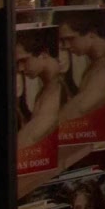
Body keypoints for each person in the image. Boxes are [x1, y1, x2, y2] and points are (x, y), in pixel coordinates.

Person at [15, 25, 66, 153]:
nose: (20, 68)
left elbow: (29, 139)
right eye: (18, 63)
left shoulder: (58, 87)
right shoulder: (46, 89)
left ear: (43, 54)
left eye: (24, 60)